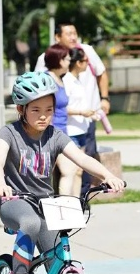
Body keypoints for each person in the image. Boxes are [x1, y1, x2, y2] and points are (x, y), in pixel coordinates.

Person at [0, 71, 125, 274]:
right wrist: (1, 185)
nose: (43, 116)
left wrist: (107, 175)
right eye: (36, 110)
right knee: (30, 223)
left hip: (45, 203)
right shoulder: (8, 133)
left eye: (49, 110)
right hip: (15, 201)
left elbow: (82, 159)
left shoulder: (55, 135)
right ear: (21, 109)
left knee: (58, 258)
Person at [35, 23, 111, 198]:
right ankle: (60, 208)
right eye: (68, 33)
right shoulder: (51, 76)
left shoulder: (86, 52)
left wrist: (104, 99)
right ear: (57, 37)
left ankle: (75, 205)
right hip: (56, 131)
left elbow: (102, 73)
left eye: (75, 33)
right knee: (62, 172)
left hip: (77, 127)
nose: (73, 37)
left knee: (77, 169)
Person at [43, 43, 76, 196]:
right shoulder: (47, 79)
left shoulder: (59, 79)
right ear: (59, 60)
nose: (70, 62)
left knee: (68, 171)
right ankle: (63, 208)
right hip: (51, 135)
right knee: (67, 171)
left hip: (62, 133)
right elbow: (45, 109)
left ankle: (64, 206)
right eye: (68, 59)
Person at [62, 47, 95, 197]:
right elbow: (62, 107)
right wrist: (81, 112)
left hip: (81, 129)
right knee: (71, 171)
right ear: (77, 63)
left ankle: (76, 204)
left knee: (79, 170)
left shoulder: (78, 80)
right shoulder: (67, 81)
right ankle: (67, 204)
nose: (88, 64)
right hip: (71, 130)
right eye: (85, 61)